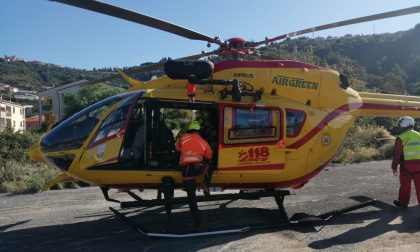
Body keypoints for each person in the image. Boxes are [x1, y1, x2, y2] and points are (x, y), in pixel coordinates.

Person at [175, 120, 213, 224]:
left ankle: (197, 220)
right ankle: (205, 182)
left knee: (191, 196)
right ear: (198, 131)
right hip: (199, 167)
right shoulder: (203, 141)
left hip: (187, 169)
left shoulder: (183, 137)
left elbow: (177, 148)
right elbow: (209, 155)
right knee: (210, 164)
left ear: (189, 130)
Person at [391, 116, 420, 209]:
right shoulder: (419, 135)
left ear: (402, 126)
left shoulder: (401, 137)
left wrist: (394, 166)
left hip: (406, 166)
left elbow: (397, 154)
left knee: (405, 186)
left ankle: (403, 203)